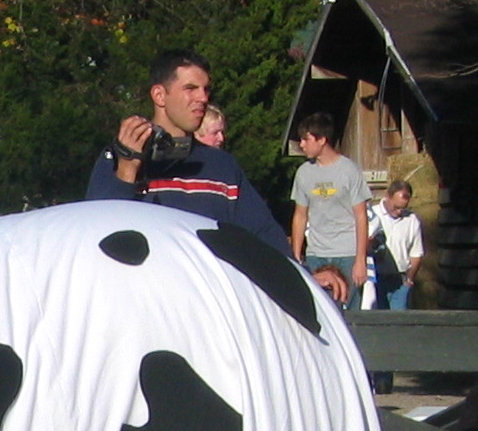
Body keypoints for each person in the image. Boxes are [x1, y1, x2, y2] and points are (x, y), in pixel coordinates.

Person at [86, 50, 290, 253]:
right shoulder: (118, 157)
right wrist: (128, 169)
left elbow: (265, 234)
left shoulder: (222, 165)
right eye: (190, 88)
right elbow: (97, 231)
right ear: (159, 95)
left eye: (206, 89)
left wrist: (301, 278)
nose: (202, 98)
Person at [290, 112, 372, 308]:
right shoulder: (303, 173)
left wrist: (360, 260)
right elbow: (300, 216)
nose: (301, 145)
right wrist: (295, 255)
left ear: (321, 140)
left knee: (349, 311)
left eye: (305, 139)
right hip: (316, 253)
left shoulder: (349, 170)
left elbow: (361, 216)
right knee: (318, 310)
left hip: (347, 253)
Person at [366, 179, 424, 310]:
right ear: (388, 197)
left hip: (400, 280)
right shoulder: (371, 215)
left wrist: (409, 279)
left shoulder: (412, 220)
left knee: (399, 322)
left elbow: (416, 253)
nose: (399, 212)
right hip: (376, 278)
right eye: (396, 207)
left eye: (403, 208)